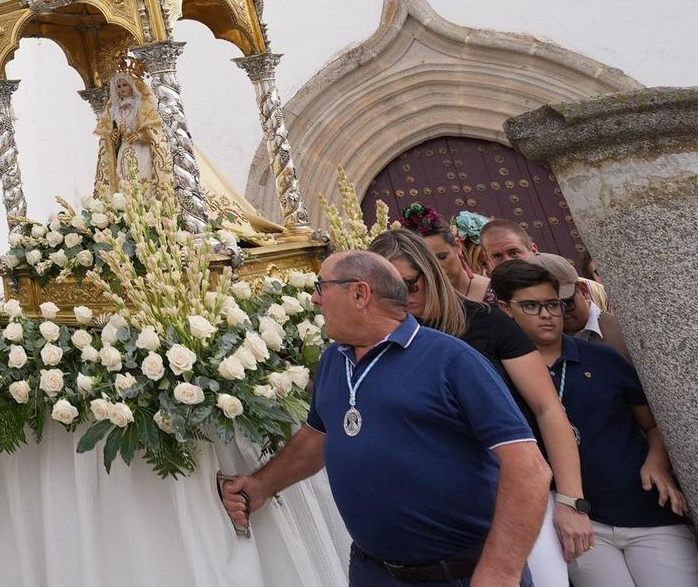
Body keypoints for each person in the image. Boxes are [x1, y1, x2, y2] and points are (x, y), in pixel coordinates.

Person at [221, 250, 550, 586]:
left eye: (322, 287)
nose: (315, 299)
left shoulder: (451, 359)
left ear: (360, 294)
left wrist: (501, 571)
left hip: (461, 575)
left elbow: (529, 468)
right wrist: (262, 484)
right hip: (373, 572)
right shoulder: (334, 359)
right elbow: (318, 437)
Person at [372, 230, 592, 583]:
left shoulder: (484, 321)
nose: (402, 296)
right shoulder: (376, 341)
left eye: (410, 285)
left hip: (515, 492)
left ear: (430, 274)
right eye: (388, 288)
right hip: (437, 512)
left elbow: (547, 408)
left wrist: (570, 501)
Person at [490, 260, 698, 587]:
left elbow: (654, 425)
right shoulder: (500, 376)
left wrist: (657, 461)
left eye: (553, 304)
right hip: (580, 524)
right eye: (531, 306)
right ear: (506, 309)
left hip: (648, 513)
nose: (547, 314)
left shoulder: (603, 359)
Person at [534, 253, 630, 358]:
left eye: (567, 303)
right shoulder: (536, 345)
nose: (561, 313)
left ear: (583, 290)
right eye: (549, 307)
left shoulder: (624, 332)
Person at [396, 202, 492, 303]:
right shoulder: (418, 305)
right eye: (426, 262)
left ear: (458, 246)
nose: (437, 267)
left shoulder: (495, 292)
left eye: (442, 257)